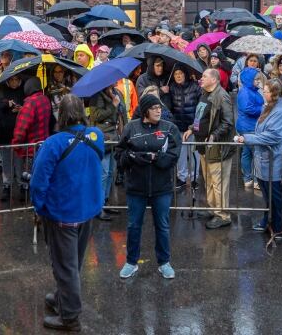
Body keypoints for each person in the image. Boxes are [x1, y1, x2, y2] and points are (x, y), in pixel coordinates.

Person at [31, 94, 105, 331]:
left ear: (59, 114)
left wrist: (40, 207)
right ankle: (63, 297)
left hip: (62, 212)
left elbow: (38, 182)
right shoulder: (97, 135)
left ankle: (70, 317)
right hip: (87, 209)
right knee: (74, 262)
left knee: (66, 266)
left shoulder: (53, 143)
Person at [115, 94, 181, 280]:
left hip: (162, 188)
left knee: (162, 225)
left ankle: (164, 262)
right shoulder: (131, 127)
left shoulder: (169, 128)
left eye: (159, 107)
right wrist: (133, 157)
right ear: (145, 111)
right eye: (154, 108)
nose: (158, 110)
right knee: (134, 225)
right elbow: (119, 154)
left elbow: (174, 155)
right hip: (136, 188)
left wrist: (156, 159)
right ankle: (131, 262)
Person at [235, 79, 282, 234]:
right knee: (272, 197)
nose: (263, 93)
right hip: (273, 159)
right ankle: (271, 222)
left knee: (280, 197)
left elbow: (273, 137)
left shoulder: (281, 111)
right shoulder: (270, 107)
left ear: (273, 93)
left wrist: (247, 138)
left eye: (265, 91)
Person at [183, 69, 235, 229]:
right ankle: (214, 209)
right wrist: (192, 128)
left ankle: (223, 215)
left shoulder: (222, 97)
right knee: (209, 181)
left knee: (219, 183)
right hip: (203, 146)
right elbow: (200, 116)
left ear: (214, 79)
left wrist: (213, 136)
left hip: (217, 148)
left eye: (204, 76)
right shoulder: (204, 93)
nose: (201, 78)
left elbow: (228, 122)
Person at [11, 77, 51, 203]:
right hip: (43, 146)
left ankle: (34, 204)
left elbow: (21, 129)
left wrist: (15, 145)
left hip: (30, 149)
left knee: (28, 176)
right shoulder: (45, 99)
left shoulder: (30, 103)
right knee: (40, 176)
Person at [88, 85, 126, 220]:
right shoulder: (96, 96)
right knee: (103, 174)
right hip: (103, 138)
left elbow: (122, 114)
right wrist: (113, 105)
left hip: (114, 137)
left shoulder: (115, 93)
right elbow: (96, 115)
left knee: (110, 172)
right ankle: (98, 206)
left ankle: (105, 202)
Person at [168, 66, 202, 188]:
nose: (178, 76)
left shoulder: (195, 86)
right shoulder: (171, 87)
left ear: (185, 74)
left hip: (193, 127)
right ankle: (181, 177)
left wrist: (195, 126)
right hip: (178, 126)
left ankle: (194, 178)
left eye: (180, 73)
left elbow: (200, 108)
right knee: (181, 153)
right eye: (176, 73)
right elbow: (169, 107)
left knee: (194, 153)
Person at [0, 75, 25, 202]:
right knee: (6, 162)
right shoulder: (1, 90)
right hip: (5, 133)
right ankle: (6, 185)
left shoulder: (24, 91)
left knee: (19, 163)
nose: (14, 82)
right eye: (12, 80)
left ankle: (22, 185)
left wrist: (21, 110)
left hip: (19, 133)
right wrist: (6, 104)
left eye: (16, 80)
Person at [236, 67, 263, 189]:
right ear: (249, 79)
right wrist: (263, 108)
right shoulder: (245, 92)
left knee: (247, 153)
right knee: (254, 153)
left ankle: (248, 178)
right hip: (249, 127)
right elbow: (247, 108)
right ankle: (255, 179)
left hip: (248, 125)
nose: (258, 81)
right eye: (256, 79)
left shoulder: (251, 90)